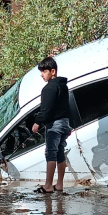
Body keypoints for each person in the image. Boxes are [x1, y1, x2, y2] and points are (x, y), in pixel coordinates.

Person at [32, 57, 71, 194]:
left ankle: (48, 185)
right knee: (60, 152)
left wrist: (38, 122)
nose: (42, 74)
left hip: (54, 125)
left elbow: (47, 110)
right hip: (65, 123)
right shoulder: (63, 86)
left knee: (50, 153)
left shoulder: (49, 88)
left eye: (44, 71)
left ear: (52, 71)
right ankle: (59, 184)